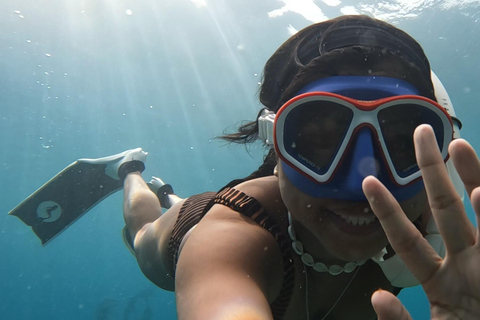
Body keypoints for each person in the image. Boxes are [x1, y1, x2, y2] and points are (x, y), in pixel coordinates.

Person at [108, 15, 480, 320]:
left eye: (400, 146)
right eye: (322, 141)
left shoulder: (430, 259)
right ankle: (130, 170)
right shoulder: (231, 240)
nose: (363, 182)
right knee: (142, 230)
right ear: (277, 142)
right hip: (199, 224)